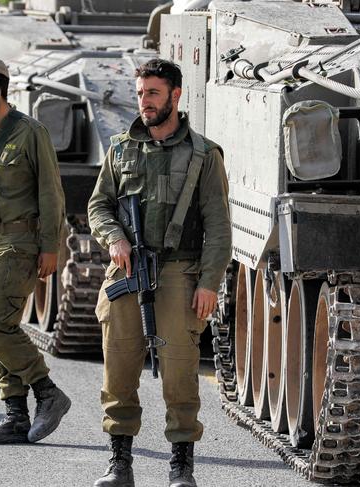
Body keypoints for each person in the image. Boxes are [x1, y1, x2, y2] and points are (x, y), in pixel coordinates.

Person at [88, 59, 231, 487]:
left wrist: (209, 283)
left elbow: (219, 227)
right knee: (118, 370)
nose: (144, 102)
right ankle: (120, 463)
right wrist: (113, 237)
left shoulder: (204, 155)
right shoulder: (119, 149)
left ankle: (181, 466)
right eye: (140, 93)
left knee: (180, 374)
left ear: (175, 96)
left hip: (178, 272)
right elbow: (99, 205)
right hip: (127, 273)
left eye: (153, 92)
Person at [0, 56, 70, 445]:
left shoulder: (30, 132)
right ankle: (15, 416)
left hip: (19, 242)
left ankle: (48, 392)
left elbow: (51, 193)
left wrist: (50, 247)